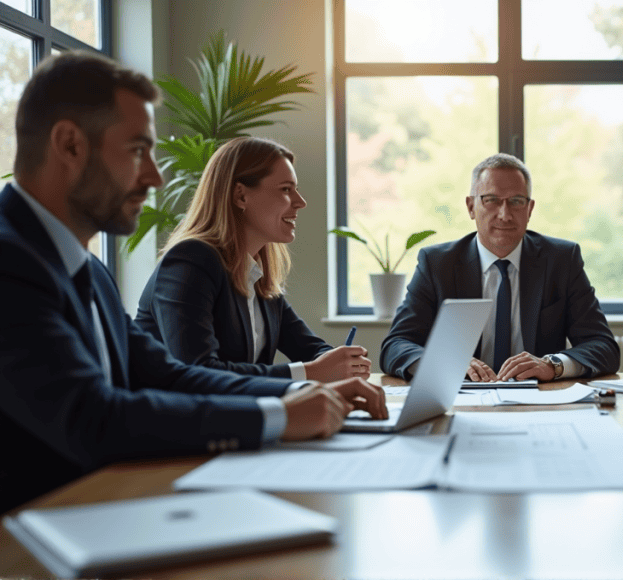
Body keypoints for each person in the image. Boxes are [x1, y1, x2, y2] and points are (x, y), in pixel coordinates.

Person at [0, 52, 386, 513]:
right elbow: (94, 417)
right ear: (69, 145)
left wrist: (299, 393)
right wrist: (278, 414)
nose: (155, 176)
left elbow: (169, 374)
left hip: (104, 508)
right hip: (31, 539)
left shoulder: (89, 271)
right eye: (138, 150)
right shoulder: (10, 263)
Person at [135, 137, 371, 381]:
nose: (300, 202)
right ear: (241, 196)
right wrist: (313, 372)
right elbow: (199, 372)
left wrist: (342, 362)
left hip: (230, 415)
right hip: (173, 417)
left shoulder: (257, 274)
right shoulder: (189, 261)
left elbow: (309, 348)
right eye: (286, 190)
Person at [379, 153, 619, 382]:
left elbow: (603, 346)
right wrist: (444, 363)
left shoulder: (561, 260)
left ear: (530, 209)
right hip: (462, 399)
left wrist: (552, 365)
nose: (505, 215)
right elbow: (396, 345)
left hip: (538, 400)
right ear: (471, 207)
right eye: (491, 200)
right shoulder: (438, 264)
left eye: (516, 201)